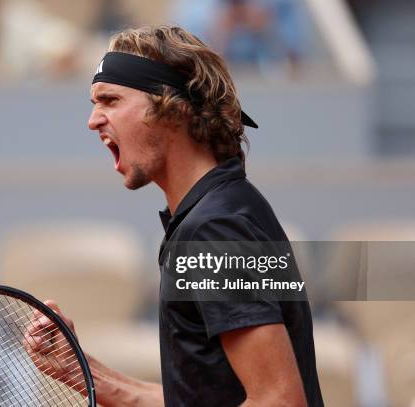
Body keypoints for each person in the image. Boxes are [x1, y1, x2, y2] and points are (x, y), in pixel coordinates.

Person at [25, 25, 323, 406]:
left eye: (111, 100)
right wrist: (81, 369)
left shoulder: (213, 230)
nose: (93, 120)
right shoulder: (221, 210)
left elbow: (279, 401)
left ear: (172, 108)